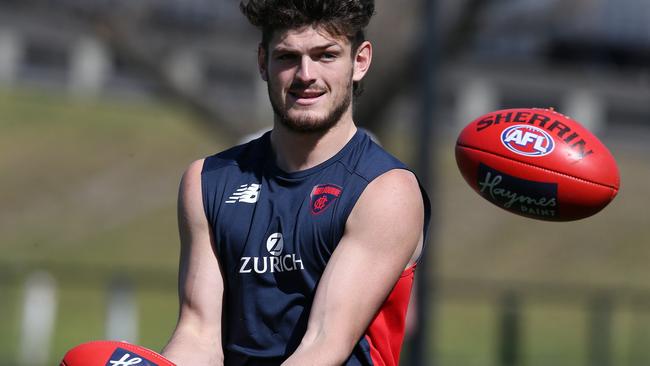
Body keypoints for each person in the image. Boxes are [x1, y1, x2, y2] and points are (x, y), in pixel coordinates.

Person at [161, 1, 430, 365]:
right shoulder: (207, 182)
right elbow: (197, 334)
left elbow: (323, 344)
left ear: (360, 61)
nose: (306, 74)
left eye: (326, 56)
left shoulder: (385, 190)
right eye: (288, 57)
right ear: (262, 62)